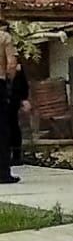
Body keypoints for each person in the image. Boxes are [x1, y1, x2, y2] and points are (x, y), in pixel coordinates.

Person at [0, 17, 18, 186]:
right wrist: (9, 81)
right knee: (2, 130)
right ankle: (3, 172)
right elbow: (12, 63)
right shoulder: (4, 37)